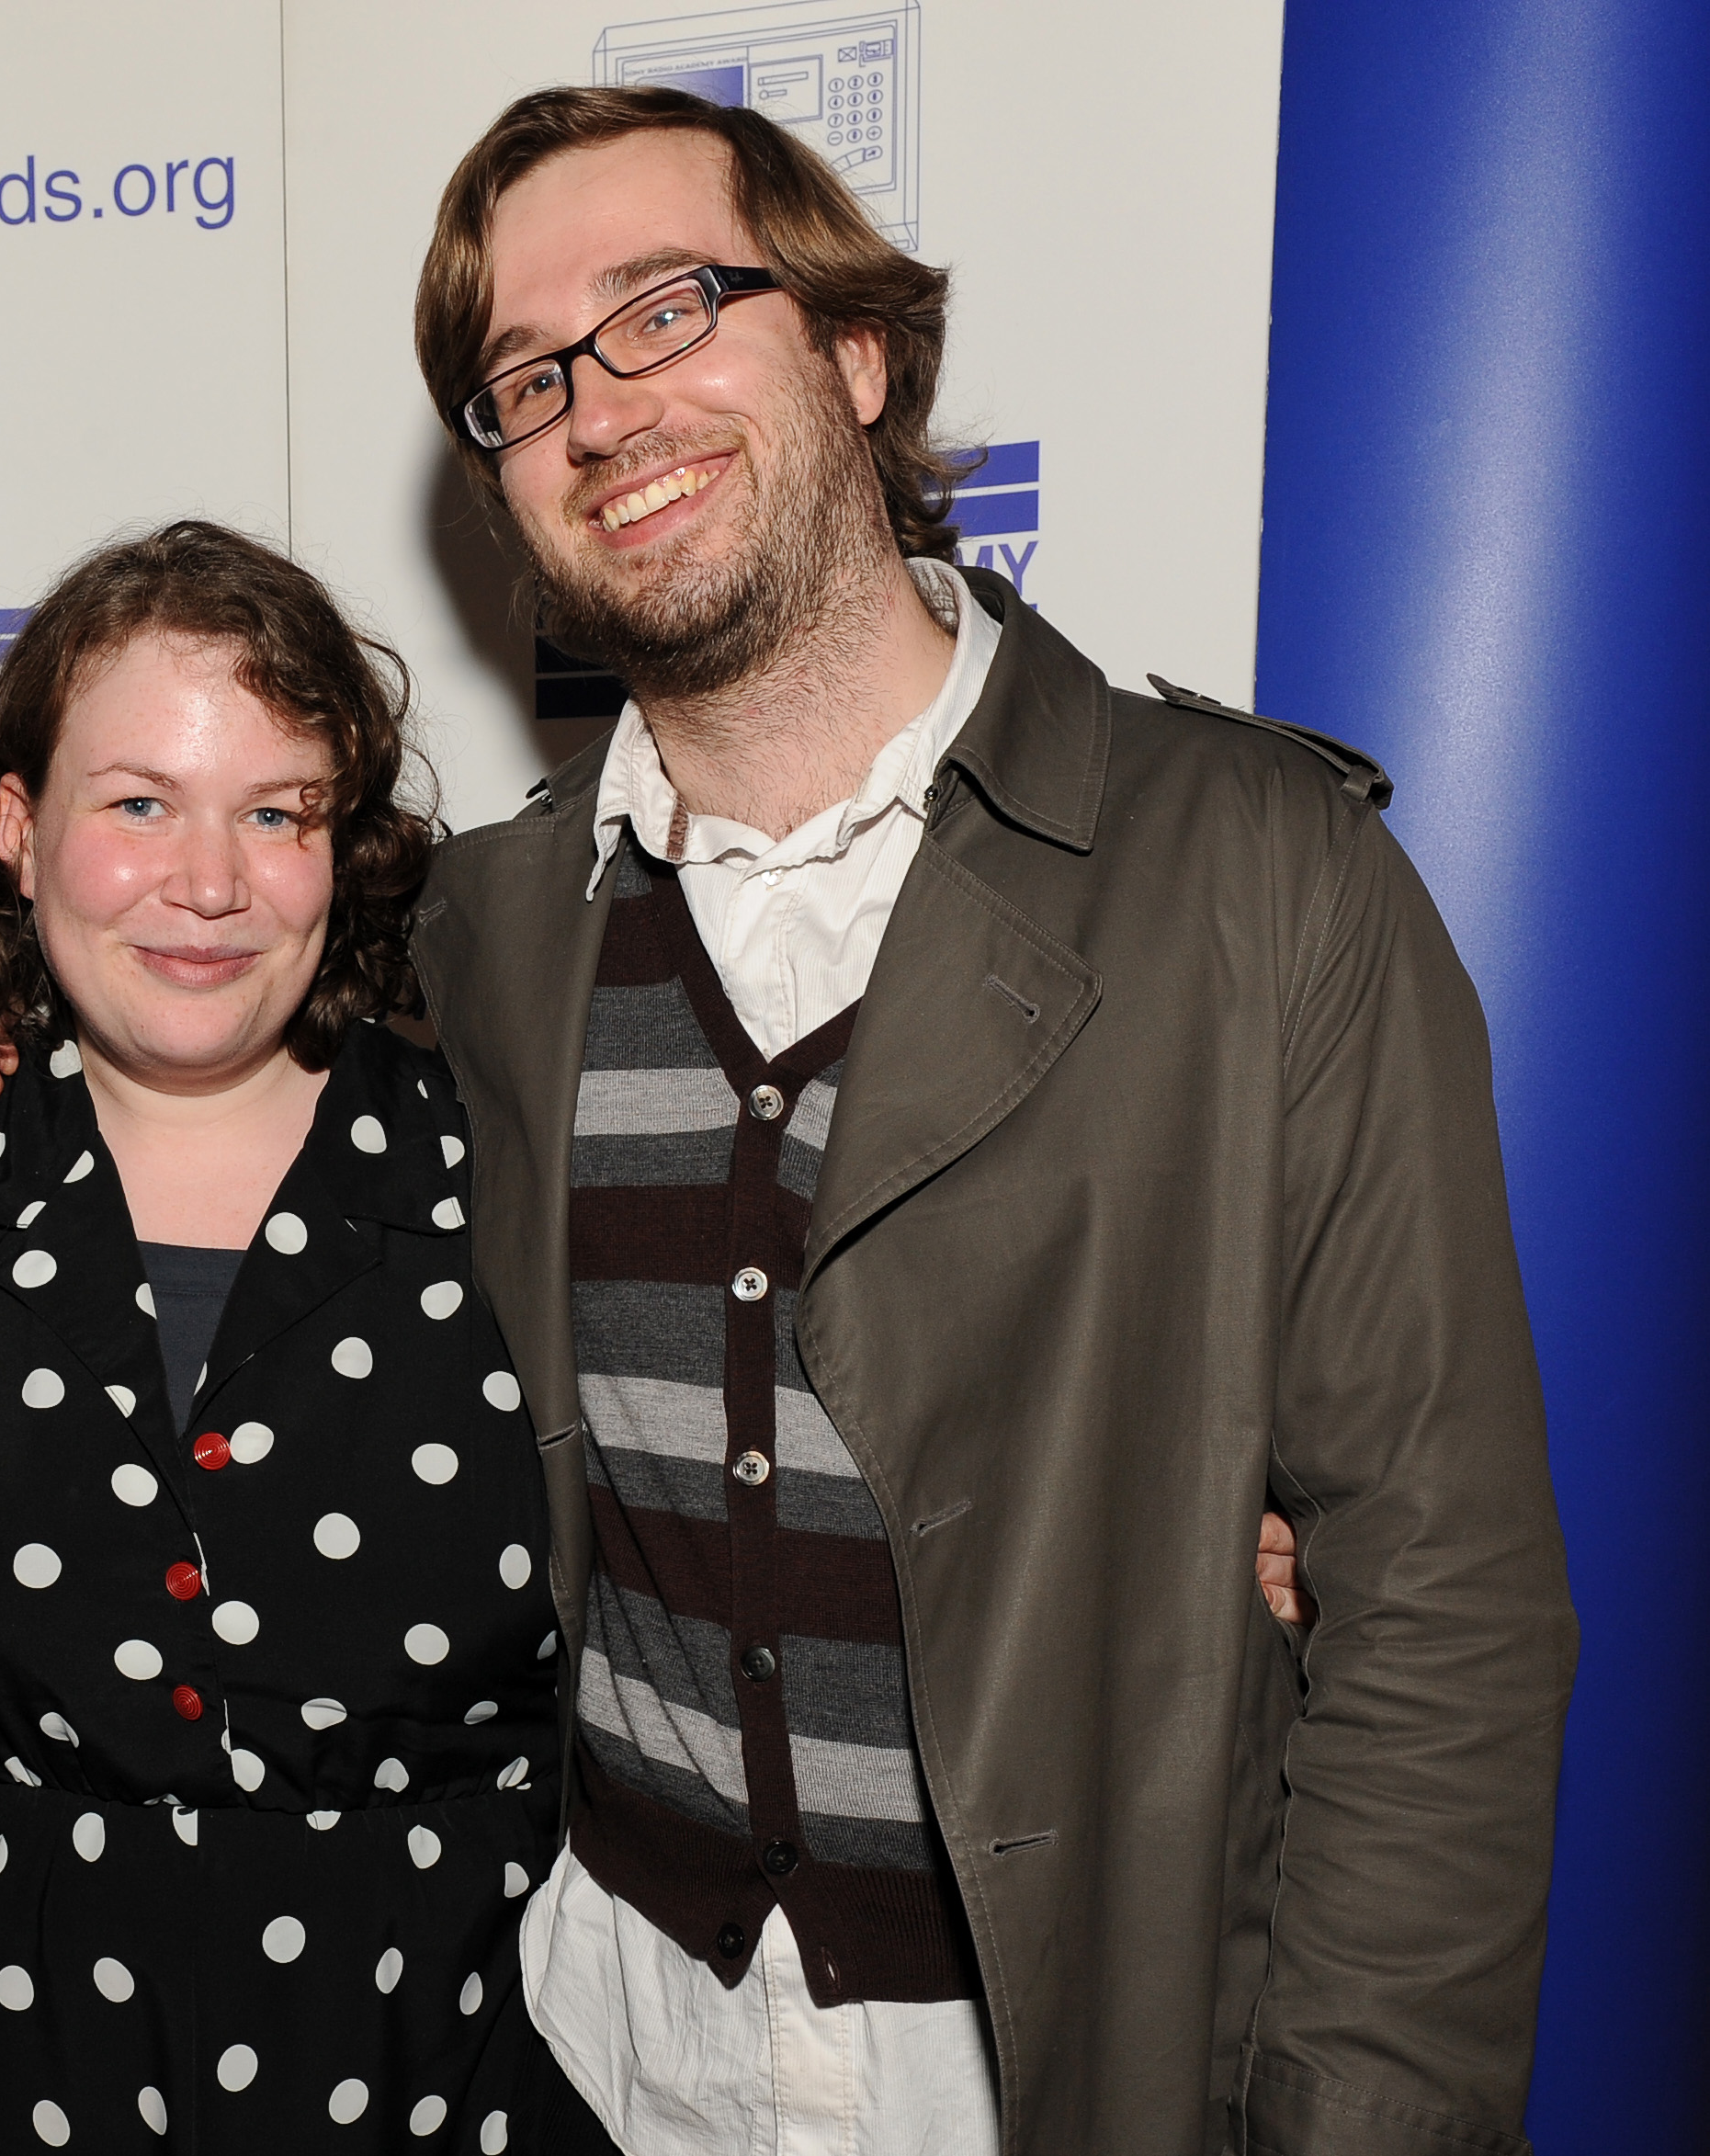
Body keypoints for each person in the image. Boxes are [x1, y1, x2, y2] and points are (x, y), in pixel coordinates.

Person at [394, 85, 1575, 2156]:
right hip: (598, 2052)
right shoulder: (487, 932)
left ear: (857, 352)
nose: (600, 406)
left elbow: (1438, 1598)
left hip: (1062, 2076)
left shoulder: (1259, 876)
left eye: (665, 308)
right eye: (528, 376)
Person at [0, 522, 616, 2155]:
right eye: (138, 804)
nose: (208, 885)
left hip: (446, 2088)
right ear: (18, 829)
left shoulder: (507, 1166)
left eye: (275, 813)